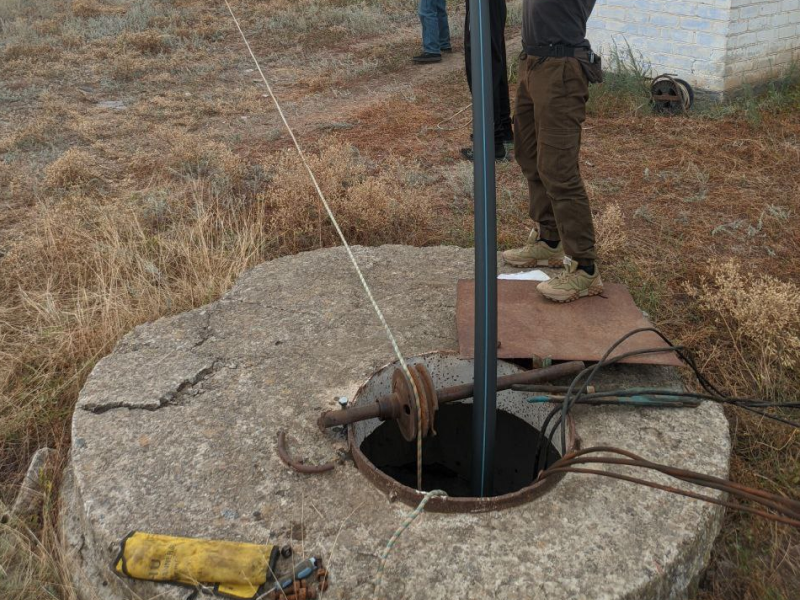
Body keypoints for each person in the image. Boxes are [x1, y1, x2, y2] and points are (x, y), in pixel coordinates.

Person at [502, 0, 603, 303]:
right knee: (529, 155)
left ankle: (584, 269)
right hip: (533, 62)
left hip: (562, 69)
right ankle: (549, 240)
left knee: (559, 169)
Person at [461, 0, 513, 161]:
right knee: (494, 60)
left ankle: (492, 142)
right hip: (491, 6)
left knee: (482, 65)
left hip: (483, 6)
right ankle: (503, 133)